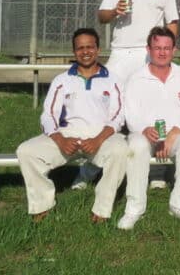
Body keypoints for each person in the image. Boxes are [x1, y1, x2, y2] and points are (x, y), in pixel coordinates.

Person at [85, 0, 178, 191]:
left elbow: (172, 23)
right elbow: (102, 16)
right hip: (120, 53)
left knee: (154, 107)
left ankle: (157, 170)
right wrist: (115, 11)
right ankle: (90, 167)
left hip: (149, 54)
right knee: (107, 108)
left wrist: (164, 49)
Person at [16, 28, 129, 223]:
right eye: (80, 48)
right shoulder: (62, 80)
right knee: (26, 151)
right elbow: (48, 115)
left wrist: (98, 139)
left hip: (100, 136)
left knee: (120, 149)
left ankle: (102, 209)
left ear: (98, 49)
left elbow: (118, 116)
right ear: (74, 51)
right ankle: (42, 205)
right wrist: (60, 139)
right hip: (67, 135)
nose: (85, 52)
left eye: (90, 47)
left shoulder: (113, 80)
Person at [117, 27, 180, 229]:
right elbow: (131, 115)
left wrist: (174, 134)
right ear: (148, 49)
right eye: (157, 48)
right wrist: (145, 130)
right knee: (136, 144)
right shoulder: (136, 78)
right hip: (145, 136)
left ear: (174, 50)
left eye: (166, 48)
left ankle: (179, 203)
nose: (162, 52)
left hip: (175, 137)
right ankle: (135, 208)